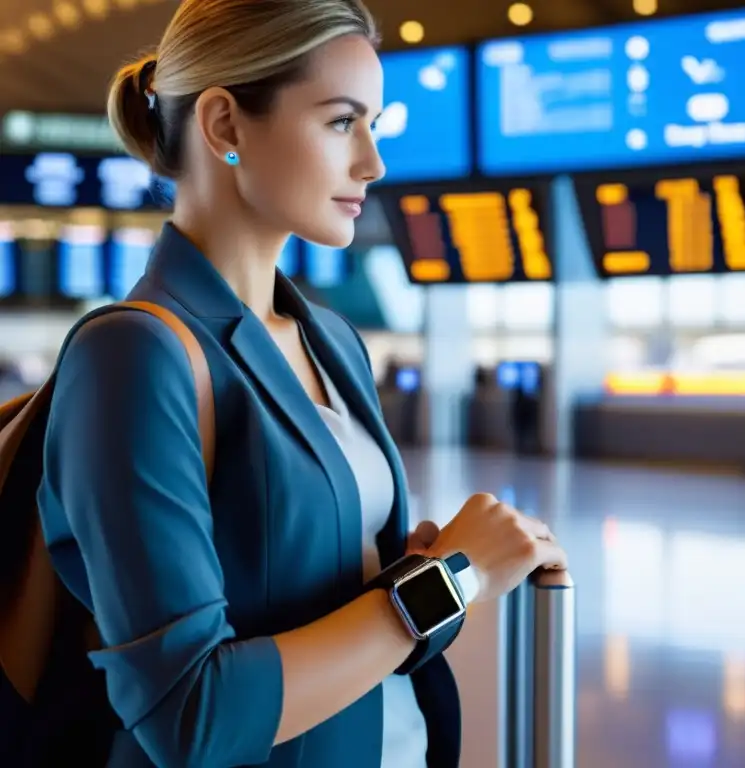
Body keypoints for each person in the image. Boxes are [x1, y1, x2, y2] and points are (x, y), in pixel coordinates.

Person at [35, 1, 568, 766]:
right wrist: (453, 579)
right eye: (341, 122)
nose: (373, 162)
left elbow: (369, 624)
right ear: (224, 127)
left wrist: (436, 569)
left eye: (374, 124)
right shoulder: (132, 355)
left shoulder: (331, 340)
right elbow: (191, 715)